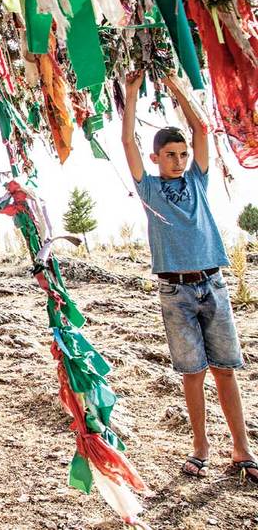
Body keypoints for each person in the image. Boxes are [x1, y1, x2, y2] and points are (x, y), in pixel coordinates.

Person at [122, 72, 256, 484]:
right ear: (156, 158)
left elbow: (201, 126)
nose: (179, 161)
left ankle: (242, 448)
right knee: (192, 373)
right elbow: (127, 142)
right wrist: (131, 94)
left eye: (182, 154)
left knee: (226, 370)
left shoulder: (197, 180)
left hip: (212, 284)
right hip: (175, 291)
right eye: (171, 155)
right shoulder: (149, 190)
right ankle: (200, 446)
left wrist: (174, 87)